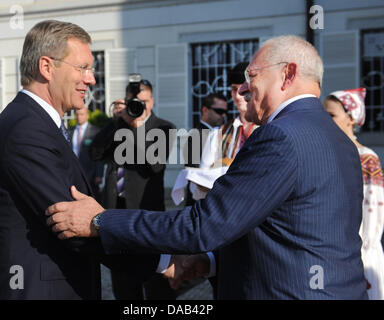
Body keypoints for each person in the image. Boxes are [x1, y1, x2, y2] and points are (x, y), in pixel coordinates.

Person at [46, 35, 368, 299]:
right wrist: (211, 261)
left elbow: (203, 226)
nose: (242, 89)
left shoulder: (280, 137)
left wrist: (101, 220)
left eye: (251, 77)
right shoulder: (340, 141)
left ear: (288, 73)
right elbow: (289, 227)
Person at [0, 20, 160, 299]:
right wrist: (161, 262)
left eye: (92, 69)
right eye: (83, 68)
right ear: (47, 67)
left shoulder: (36, 123)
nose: (91, 79)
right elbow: (73, 227)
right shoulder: (26, 130)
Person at [90, 80, 177, 300]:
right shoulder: (118, 125)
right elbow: (95, 153)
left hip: (146, 212)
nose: (141, 106)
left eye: (145, 102)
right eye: (135, 102)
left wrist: (137, 129)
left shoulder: (164, 127)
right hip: (116, 210)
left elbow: (154, 164)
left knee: (155, 281)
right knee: (122, 282)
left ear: (152, 101)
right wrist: (116, 122)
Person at [323, 88, 384, 300]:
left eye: (332, 115)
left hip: (359, 255)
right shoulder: (325, 154)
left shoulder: (367, 158)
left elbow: (373, 212)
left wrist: (360, 251)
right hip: (330, 254)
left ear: (351, 118)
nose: (326, 121)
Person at [183, 93, 228, 205]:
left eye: (225, 112)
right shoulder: (197, 135)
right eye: (219, 111)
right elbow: (195, 173)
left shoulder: (220, 134)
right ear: (205, 110)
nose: (223, 115)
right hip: (199, 200)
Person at [69, 107, 104, 202]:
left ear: (87, 116)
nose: (79, 117)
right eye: (77, 114)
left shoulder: (95, 132)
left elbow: (99, 155)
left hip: (90, 174)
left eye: (82, 114)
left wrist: (99, 174)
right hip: (74, 174)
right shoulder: (70, 132)